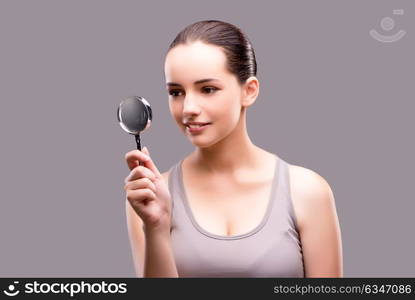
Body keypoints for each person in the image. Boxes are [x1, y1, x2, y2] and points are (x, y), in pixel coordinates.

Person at [123, 20, 343, 277]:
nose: (188, 108)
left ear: (249, 91)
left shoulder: (307, 192)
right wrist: (156, 226)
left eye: (208, 89)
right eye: (176, 92)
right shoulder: (149, 196)